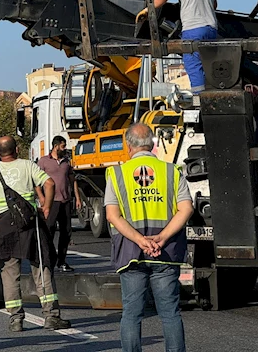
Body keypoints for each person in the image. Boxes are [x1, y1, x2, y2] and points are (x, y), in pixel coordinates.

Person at [105, 122, 194, 352]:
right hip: (166, 253)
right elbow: (186, 209)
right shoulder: (171, 171)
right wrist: (161, 238)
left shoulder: (116, 174)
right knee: (170, 313)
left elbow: (112, 215)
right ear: (153, 144)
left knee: (132, 315)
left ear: (128, 145)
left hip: (131, 254)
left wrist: (140, 240)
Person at [0, 136, 72, 333]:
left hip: (3, 225)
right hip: (30, 224)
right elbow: (49, 184)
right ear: (16, 149)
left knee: (9, 274)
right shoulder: (27, 165)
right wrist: (47, 207)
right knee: (41, 269)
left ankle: (16, 319)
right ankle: (51, 316)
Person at [136, 0, 218, 93]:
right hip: (212, 29)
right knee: (209, 65)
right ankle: (212, 95)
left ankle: (200, 100)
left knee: (193, 64)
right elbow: (214, 5)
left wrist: (147, 10)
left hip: (193, 29)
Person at [37, 135, 82, 272]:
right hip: (51, 202)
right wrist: (42, 198)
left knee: (66, 232)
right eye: (63, 146)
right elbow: (36, 182)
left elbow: (72, 180)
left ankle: (62, 261)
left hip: (65, 201)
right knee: (49, 230)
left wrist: (78, 198)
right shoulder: (44, 161)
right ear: (56, 146)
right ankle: (47, 259)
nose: (65, 148)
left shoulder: (66, 162)